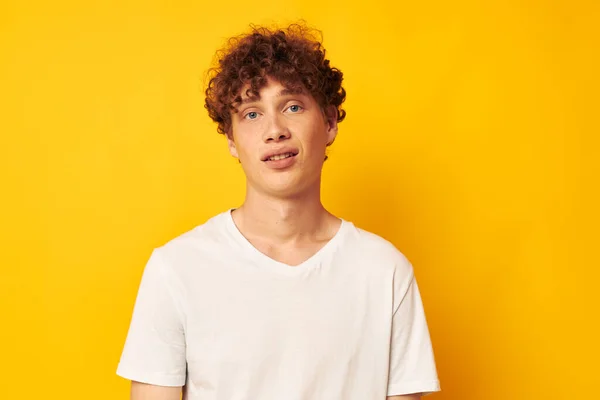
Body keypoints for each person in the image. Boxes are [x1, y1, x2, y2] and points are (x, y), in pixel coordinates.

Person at [116, 23, 441, 400]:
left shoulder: (385, 272)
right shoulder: (175, 269)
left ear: (330, 122)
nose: (275, 130)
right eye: (252, 114)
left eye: (293, 106)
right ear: (232, 141)